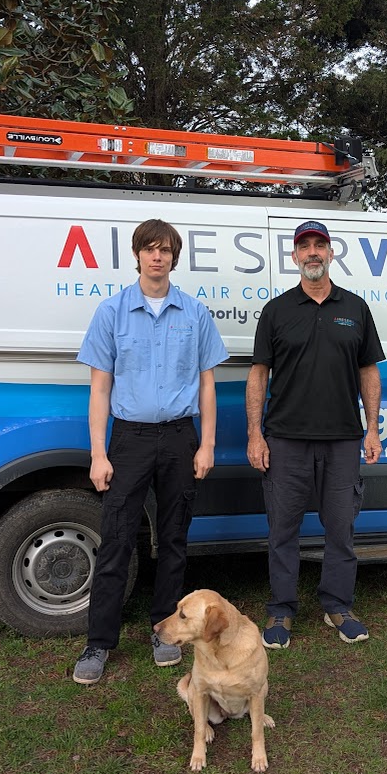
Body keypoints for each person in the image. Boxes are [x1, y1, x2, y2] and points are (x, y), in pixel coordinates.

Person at [72, 218, 228, 685]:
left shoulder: (194, 313)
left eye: (165, 251)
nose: (157, 257)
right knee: (117, 539)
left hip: (180, 439)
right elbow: (100, 390)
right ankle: (99, 642)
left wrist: (207, 444)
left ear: (174, 259)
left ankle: (165, 631)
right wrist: (99, 453)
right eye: (149, 249)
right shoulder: (112, 312)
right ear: (137, 255)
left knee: (174, 538)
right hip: (130, 439)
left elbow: (206, 384)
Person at [246, 220, 385, 649]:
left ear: (331, 253)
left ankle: (338, 605)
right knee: (282, 529)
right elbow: (258, 374)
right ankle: (281, 610)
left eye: (319, 246)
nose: (312, 253)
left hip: (343, 439)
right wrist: (256, 433)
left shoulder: (356, 308)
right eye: (304, 246)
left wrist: (372, 428)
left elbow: (368, 370)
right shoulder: (277, 310)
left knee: (340, 528)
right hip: (286, 439)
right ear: (294, 256)